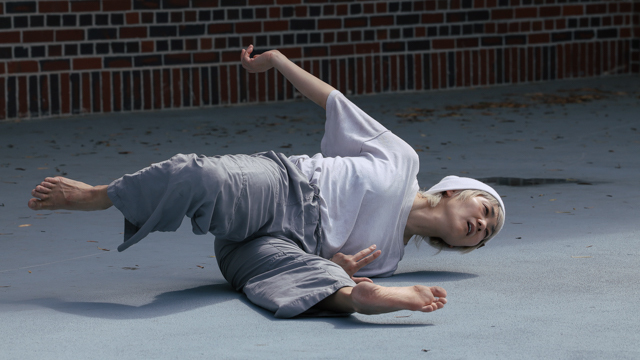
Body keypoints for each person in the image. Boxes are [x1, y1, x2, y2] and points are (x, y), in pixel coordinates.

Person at [27, 45, 505, 318]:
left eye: (486, 233)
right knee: (201, 174)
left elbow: (321, 262)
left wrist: (336, 266)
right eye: (485, 210)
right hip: (285, 188)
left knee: (305, 280)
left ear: (462, 245)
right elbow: (337, 102)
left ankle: (354, 298)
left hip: (276, 251)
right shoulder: (402, 159)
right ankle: (99, 196)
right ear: (453, 189)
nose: (482, 225)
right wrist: (278, 62)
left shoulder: (391, 261)